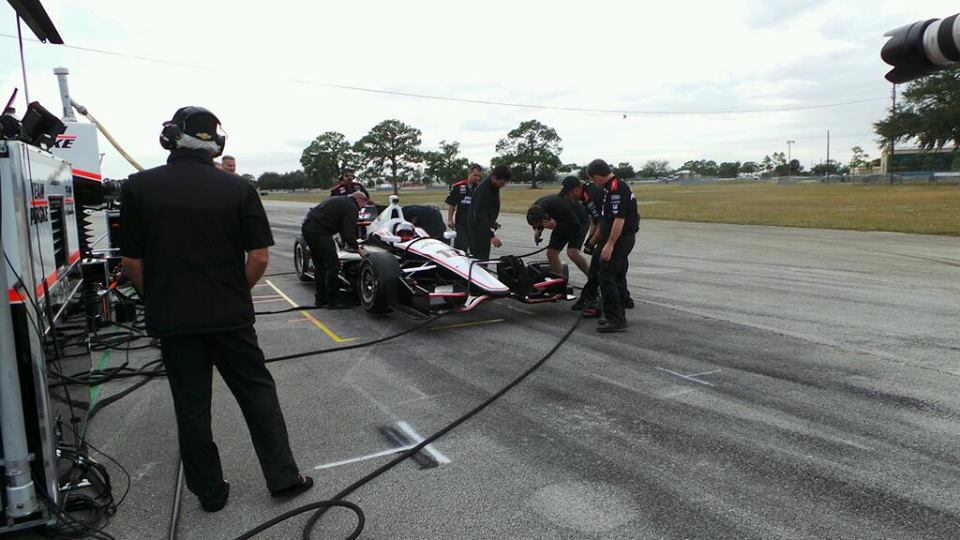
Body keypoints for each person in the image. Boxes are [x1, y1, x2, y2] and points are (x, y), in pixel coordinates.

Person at [118, 106, 313, 513]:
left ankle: (210, 492)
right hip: (230, 316)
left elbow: (131, 263)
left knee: (191, 407)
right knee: (258, 394)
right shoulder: (238, 189)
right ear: (216, 144)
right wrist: (233, 293)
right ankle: (283, 477)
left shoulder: (139, 187)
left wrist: (157, 297)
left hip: (174, 319)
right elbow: (259, 257)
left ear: (170, 137)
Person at [585, 158, 639, 332]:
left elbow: (619, 219)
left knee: (606, 276)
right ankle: (614, 313)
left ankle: (616, 319)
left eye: (594, 180)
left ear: (598, 177)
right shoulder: (613, 187)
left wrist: (609, 245)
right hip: (619, 238)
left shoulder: (616, 189)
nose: (594, 183)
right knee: (610, 275)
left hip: (620, 239)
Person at [301, 191, 367, 308]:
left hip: (308, 227)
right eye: (363, 205)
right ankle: (334, 301)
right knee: (334, 265)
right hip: (319, 231)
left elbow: (342, 228)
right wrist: (360, 251)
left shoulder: (341, 200)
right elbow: (348, 233)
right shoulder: (352, 208)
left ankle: (321, 299)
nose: (362, 209)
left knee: (320, 265)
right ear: (359, 200)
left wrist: (347, 243)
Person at [524, 177, 590, 278]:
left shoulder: (561, 205)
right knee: (551, 253)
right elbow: (536, 221)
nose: (541, 226)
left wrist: (557, 226)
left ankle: (593, 279)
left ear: (545, 217)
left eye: (540, 225)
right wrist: (537, 230)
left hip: (579, 221)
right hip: (560, 222)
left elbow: (576, 229)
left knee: (572, 252)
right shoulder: (536, 207)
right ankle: (558, 281)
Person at [467, 164, 511, 260]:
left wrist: (491, 222)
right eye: (502, 182)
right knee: (479, 259)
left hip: (484, 228)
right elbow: (478, 217)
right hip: (477, 231)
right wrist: (491, 236)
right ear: (494, 177)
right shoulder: (484, 190)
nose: (504, 185)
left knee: (484, 258)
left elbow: (488, 209)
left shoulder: (494, 186)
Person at [444, 164, 482, 252]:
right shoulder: (458, 186)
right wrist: (450, 219)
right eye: (475, 175)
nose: (477, 178)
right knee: (461, 249)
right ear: (469, 173)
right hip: (461, 223)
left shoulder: (480, 188)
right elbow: (452, 204)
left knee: (476, 250)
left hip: (475, 224)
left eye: (479, 176)